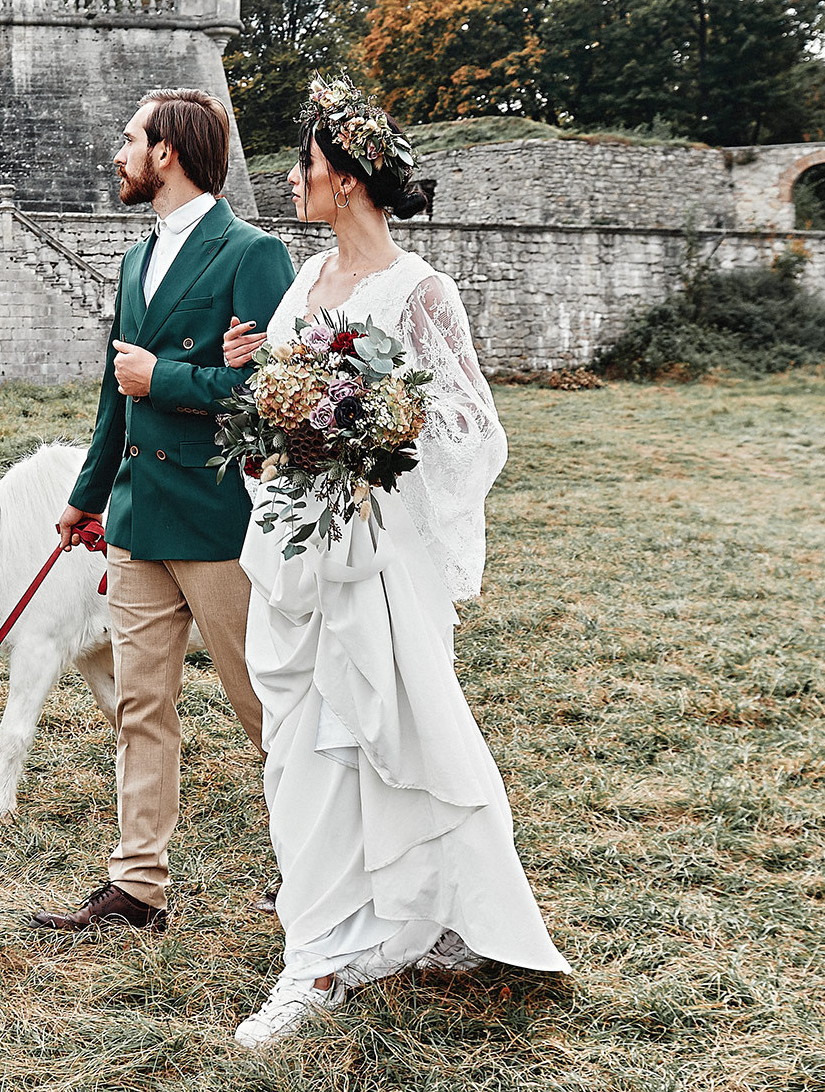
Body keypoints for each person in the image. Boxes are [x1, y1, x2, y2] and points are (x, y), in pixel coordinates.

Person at [222, 76, 570, 1045]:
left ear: (346, 178)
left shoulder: (421, 290)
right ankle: (347, 927)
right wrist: (267, 394)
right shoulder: (303, 277)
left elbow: (470, 425)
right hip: (292, 545)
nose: (291, 179)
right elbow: (277, 393)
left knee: (380, 735)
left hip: (374, 553)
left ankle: (329, 957)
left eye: (304, 165)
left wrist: (367, 425)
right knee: (300, 749)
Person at [33, 88, 296, 932]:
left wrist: (166, 378)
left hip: (220, 521)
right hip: (138, 517)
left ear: (167, 153)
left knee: (266, 707)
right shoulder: (133, 258)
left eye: (130, 139)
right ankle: (137, 885)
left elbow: (275, 392)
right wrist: (85, 495)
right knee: (139, 706)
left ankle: (314, 868)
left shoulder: (253, 253)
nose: (118, 154)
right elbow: (116, 392)